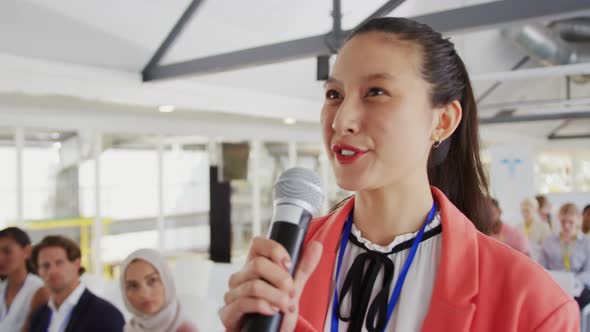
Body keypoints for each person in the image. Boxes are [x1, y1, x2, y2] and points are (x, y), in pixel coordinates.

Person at [219, 17, 579, 331]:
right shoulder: (288, 258)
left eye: (376, 92)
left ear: (443, 121)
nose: (342, 120)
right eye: (334, 94)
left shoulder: (532, 303)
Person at [27, 235, 124, 332]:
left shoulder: (105, 314)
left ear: (77, 264)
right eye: (45, 266)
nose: (52, 271)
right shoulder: (38, 317)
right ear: (38, 271)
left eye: (59, 263)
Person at [120, 248, 198, 332]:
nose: (144, 294)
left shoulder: (185, 329)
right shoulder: (129, 329)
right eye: (133, 286)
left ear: (166, 282)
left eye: (152, 281)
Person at [539, 203, 590, 310]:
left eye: (571, 222)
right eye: (563, 222)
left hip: (577, 286)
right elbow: (541, 267)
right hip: (554, 284)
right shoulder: (549, 241)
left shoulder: (586, 242)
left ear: (578, 220)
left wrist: (572, 280)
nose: (566, 225)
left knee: (578, 302)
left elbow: (588, 272)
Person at [0, 227, 49, 332]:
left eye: (7, 251)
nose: (0, 258)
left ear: (26, 251)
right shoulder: (2, 288)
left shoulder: (39, 290)